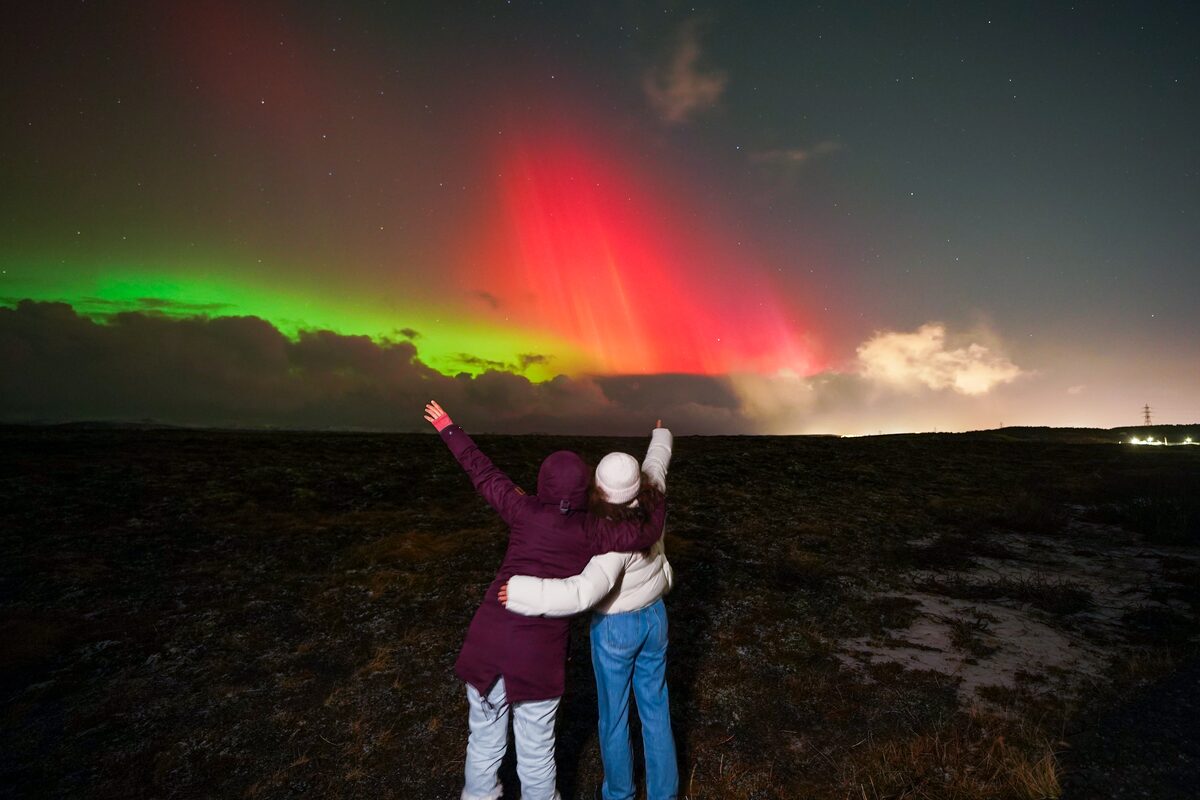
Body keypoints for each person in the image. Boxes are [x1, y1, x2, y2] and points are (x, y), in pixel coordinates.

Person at [423, 400, 668, 800]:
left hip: (487, 642)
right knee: (535, 752)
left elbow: (482, 472)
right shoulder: (594, 531)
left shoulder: (521, 508)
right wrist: (656, 500)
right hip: (537, 655)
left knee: (483, 742)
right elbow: (640, 535)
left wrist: (449, 428)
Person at [500, 421, 678, 800]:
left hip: (616, 630)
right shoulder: (654, 497)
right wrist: (661, 434)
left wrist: (520, 590)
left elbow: (580, 593)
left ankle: (619, 793)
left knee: (613, 718)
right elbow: (657, 462)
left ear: (600, 489)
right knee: (656, 709)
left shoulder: (608, 541)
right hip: (656, 618)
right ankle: (665, 793)